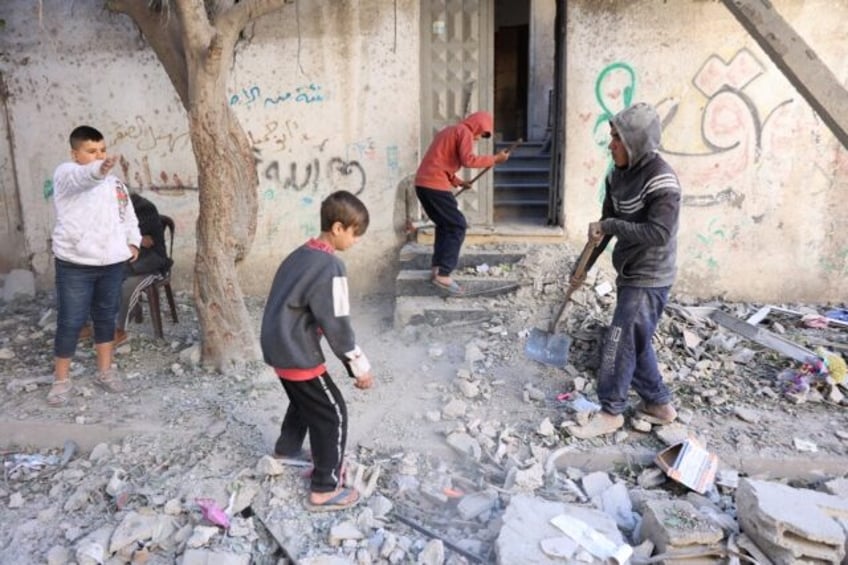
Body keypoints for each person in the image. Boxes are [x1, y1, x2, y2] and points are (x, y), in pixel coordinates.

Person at [566, 102, 681, 439]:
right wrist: (582, 267)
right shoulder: (617, 174)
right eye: (611, 136)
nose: (610, 144)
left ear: (636, 142)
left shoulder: (662, 180)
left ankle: (610, 411)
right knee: (636, 338)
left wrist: (611, 223)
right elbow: (605, 229)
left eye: (617, 138)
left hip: (651, 276)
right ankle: (658, 405)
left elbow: (659, 233)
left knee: (619, 339)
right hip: (630, 272)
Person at [260, 190, 375, 512]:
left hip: (276, 343)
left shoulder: (300, 253)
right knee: (332, 412)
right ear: (338, 228)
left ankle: (287, 449)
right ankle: (324, 488)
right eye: (355, 234)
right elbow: (337, 323)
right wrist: (358, 367)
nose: (355, 241)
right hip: (296, 349)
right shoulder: (331, 266)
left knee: (304, 399)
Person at [47, 125, 141, 406]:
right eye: (91, 151)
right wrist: (98, 170)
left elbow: (128, 216)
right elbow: (84, 178)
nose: (99, 156)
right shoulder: (66, 174)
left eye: (102, 150)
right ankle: (61, 381)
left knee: (106, 318)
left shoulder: (116, 185)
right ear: (75, 153)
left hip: (111, 264)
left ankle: (105, 372)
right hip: (75, 265)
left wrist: (132, 242)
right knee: (71, 322)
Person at [414, 111, 510, 295]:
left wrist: (458, 182)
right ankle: (443, 274)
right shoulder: (464, 132)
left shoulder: (449, 131)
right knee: (458, 225)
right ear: (478, 126)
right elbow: (469, 160)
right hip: (435, 185)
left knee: (445, 225)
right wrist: (495, 159)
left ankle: (437, 268)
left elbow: (439, 162)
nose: (478, 138)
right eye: (482, 134)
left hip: (423, 184)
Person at [115, 193, 173, 343]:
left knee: (127, 286)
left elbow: (142, 240)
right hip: (128, 260)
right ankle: (98, 324)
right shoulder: (114, 210)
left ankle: (118, 329)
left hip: (152, 262)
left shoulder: (144, 208)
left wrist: (134, 239)